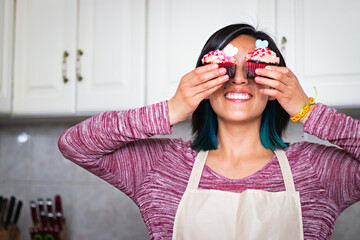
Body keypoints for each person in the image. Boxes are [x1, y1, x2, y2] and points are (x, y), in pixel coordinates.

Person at [58, 24, 360, 240]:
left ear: (274, 86)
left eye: (254, 69)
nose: (239, 80)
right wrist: (172, 109)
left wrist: (306, 108)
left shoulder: (318, 171)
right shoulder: (162, 167)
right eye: (226, 69)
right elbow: (74, 144)